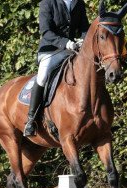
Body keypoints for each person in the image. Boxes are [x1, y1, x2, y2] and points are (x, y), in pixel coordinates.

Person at [24, 0, 89, 137]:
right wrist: (66, 43)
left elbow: (84, 28)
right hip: (51, 50)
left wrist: (84, 40)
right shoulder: (47, 3)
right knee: (42, 77)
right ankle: (31, 120)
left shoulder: (78, 3)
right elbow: (46, 31)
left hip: (73, 48)